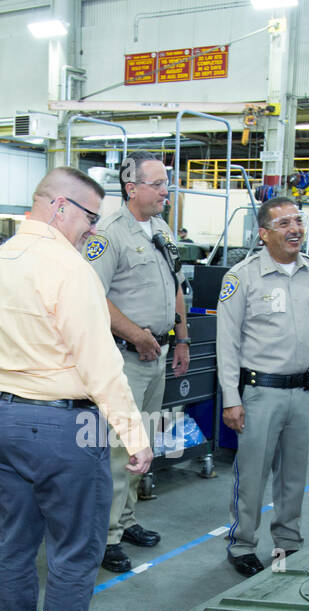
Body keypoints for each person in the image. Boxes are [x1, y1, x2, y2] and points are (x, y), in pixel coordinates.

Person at [0, 168, 153, 611]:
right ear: (60, 207)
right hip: (62, 427)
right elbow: (100, 364)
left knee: (16, 544)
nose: (92, 232)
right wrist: (135, 435)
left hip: (0, 419)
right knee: (76, 551)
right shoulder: (69, 270)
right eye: (90, 219)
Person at [217, 197, 309, 576]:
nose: (295, 229)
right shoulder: (242, 278)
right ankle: (241, 544)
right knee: (252, 476)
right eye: (285, 223)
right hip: (260, 394)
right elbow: (228, 344)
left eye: (299, 221)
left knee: (294, 474)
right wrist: (231, 398)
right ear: (264, 233)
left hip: (305, 394)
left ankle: (288, 543)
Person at [83, 151, 189, 573]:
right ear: (132, 188)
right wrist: (136, 335)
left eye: (166, 183)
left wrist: (181, 339)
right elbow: (91, 295)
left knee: (141, 442)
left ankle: (125, 522)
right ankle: (105, 536)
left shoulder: (160, 229)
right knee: (115, 449)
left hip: (158, 355)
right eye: (159, 184)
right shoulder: (108, 234)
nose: (167, 190)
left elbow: (177, 284)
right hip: (125, 357)